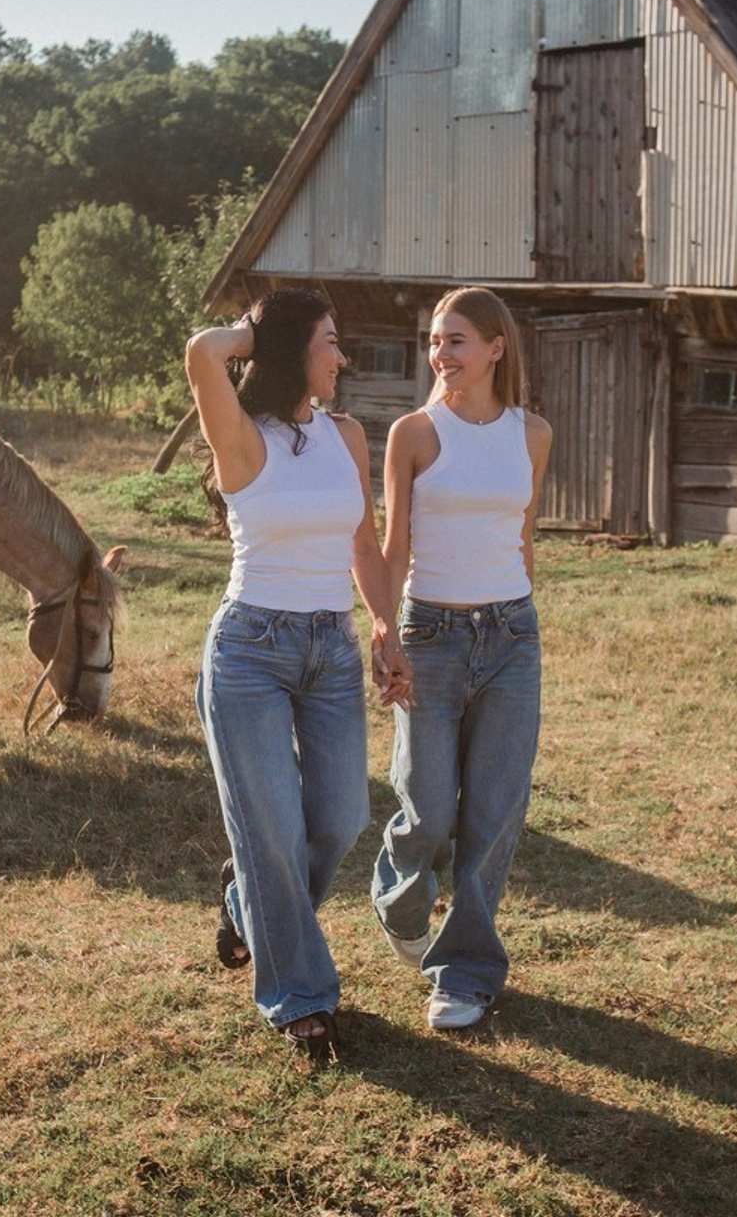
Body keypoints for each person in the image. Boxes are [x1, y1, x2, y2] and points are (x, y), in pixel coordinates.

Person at [187, 288, 410, 1062]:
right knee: (274, 831)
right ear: (289, 351)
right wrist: (253, 331)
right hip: (250, 649)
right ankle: (302, 1000)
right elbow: (200, 353)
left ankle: (246, 902)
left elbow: (365, 548)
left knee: (340, 817)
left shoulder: (347, 437)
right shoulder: (243, 439)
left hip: (329, 648)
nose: (343, 357)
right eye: (329, 342)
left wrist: (385, 628)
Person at [371, 286, 552, 1031]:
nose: (440, 355)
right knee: (428, 804)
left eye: (455, 341)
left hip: (511, 635)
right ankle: (401, 900)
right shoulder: (413, 433)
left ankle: (466, 971)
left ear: (494, 349)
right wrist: (384, 629)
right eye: (435, 342)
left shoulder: (532, 433)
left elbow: (523, 537)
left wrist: (513, 614)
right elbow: (394, 545)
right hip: (431, 636)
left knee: (495, 812)